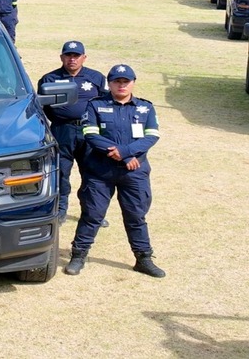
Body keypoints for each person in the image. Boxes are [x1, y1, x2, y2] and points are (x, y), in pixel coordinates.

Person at [66, 64, 164, 278]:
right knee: (92, 214)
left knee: (136, 216)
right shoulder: (95, 105)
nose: (121, 85)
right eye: (117, 81)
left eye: (125, 81)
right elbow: (90, 134)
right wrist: (125, 155)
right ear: (109, 84)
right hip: (101, 171)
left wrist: (127, 152)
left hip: (134, 173)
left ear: (133, 83)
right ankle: (78, 255)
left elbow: (152, 136)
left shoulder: (145, 108)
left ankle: (143, 258)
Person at [37, 41, 107, 224]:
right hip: (62, 130)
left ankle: (93, 214)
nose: (72, 59)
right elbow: (43, 107)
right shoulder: (49, 79)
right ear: (61, 57)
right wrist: (61, 119)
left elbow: (104, 103)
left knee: (92, 173)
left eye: (76, 55)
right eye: (68, 55)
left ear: (84, 57)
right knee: (60, 172)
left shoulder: (96, 77)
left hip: (89, 131)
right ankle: (60, 211)